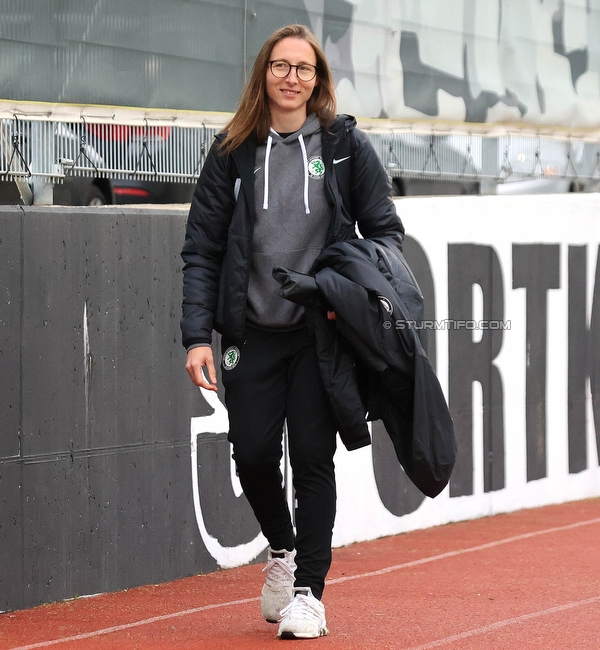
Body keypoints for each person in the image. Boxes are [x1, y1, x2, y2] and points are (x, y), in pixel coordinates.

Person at [180, 23, 404, 640]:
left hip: (319, 334)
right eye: (280, 66)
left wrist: (342, 281)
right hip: (249, 334)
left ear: (318, 80)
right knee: (251, 454)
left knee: (311, 457)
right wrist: (198, 336)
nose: (291, 78)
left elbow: (386, 231)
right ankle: (281, 550)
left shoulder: (342, 147)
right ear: (263, 74)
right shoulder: (230, 150)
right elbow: (200, 250)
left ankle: (310, 592)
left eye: (303, 69)